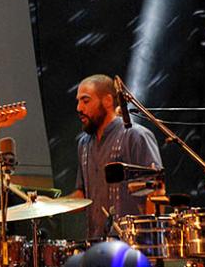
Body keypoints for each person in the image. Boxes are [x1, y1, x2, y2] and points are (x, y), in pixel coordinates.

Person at [70, 74, 164, 239]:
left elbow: (155, 192)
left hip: (131, 246)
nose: (79, 108)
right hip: (96, 243)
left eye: (85, 101)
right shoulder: (83, 144)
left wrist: (150, 242)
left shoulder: (135, 136)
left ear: (107, 101)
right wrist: (47, 205)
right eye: (78, 101)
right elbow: (82, 196)